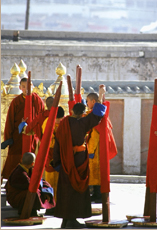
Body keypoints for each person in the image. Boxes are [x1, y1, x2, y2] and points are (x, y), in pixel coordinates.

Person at [52, 86, 107, 229]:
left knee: (65, 191)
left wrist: (58, 162)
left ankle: (65, 220)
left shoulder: (63, 123)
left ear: (71, 112)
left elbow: (57, 144)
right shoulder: (81, 124)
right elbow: (96, 116)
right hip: (77, 163)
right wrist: (101, 95)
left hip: (64, 163)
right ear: (82, 114)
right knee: (76, 190)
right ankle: (71, 220)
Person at [1, 78, 45, 182]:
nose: (26, 89)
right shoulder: (16, 102)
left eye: (29, 87)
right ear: (20, 88)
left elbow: (42, 118)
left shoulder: (38, 100)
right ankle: (12, 181)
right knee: (15, 160)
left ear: (33, 87)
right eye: (24, 87)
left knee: (32, 159)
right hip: (18, 137)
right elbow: (10, 122)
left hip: (33, 136)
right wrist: (9, 138)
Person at [85, 92, 117, 203]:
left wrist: (90, 150)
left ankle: (98, 194)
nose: (86, 103)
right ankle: (96, 193)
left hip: (96, 150)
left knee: (95, 173)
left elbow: (95, 136)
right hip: (98, 150)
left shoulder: (96, 117)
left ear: (93, 101)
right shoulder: (98, 115)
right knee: (96, 173)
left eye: (87, 101)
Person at [4, 152, 55, 217]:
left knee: (42, 188)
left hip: (22, 194)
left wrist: (47, 190)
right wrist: (44, 190)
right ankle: (32, 212)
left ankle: (36, 210)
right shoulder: (19, 173)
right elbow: (31, 185)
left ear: (21, 160)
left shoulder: (28, 169)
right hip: (15, 198)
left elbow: (39, 180)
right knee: (34, 192)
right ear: (32, 163)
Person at [41, 105, 65, 216]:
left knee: (60, 181)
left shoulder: (63, 123)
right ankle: (50, 206)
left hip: (60, 154)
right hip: (50, 154)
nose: (59, 122)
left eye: (61, 120)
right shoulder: (47, 123)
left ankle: (59, 204)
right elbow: (48, 141)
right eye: (58, 120)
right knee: (50, 181)